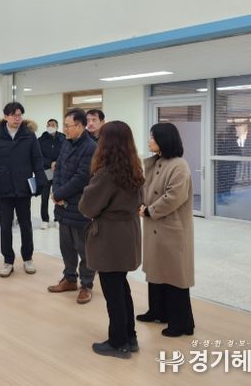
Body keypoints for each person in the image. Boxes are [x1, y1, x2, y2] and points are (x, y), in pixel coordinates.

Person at [79, 121, 144, 359]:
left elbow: (87, 206)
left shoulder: (107, 173)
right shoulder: (134, 168)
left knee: (112, 291)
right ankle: (130, 337)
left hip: (110, 236)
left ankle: (118, 342)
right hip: (128, 232)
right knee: (121, 286)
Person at [138, 122, 195, 337]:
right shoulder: (156, 162)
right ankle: (157, 311)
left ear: (164, 140)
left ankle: (182, 323)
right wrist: (141, 205)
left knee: (174, 276)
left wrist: (150, 210)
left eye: (153, 137)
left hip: (171, 228)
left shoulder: (179, 165)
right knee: (156, 271)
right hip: (155, 226)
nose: (149, 141)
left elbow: (173, 197)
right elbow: (146, 189)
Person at [0, 102, 47, 277]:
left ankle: (28, 258)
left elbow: (37, 159)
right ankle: (8, 260)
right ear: (6, 117)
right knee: (5, 226)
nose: (17, 118)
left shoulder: (29, 136)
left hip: (23, 188)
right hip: (3, 188)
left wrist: (40, 181)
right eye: (13, 115)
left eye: (19, 115)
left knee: (26, 225)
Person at [48, 108, 97, 304]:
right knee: (66, 246)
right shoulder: (66, 143)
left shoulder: (91, 147)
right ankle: (69, 279)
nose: (65, 129)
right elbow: (58, 169)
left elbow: (82, 177)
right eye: (65, 126)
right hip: (63, 206)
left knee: (84, 249)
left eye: (68, 126)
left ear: (80, 126)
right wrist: (56, 192)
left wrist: (59, 193)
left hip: (80, 207)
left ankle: (86, 285)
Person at [38, 118, 66, 229]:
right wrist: (50, 163)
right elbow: (38, 156)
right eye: (49, 124)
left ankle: (57, 218)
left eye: (53, 124)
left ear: (57, 126)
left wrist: (57, 163)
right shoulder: (41, 140)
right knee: (44, 196)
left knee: (58, 195)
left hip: (59, 171)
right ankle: (45, 219)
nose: (50, 126)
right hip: (46, 171)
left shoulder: (63, 139)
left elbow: (66, 153)